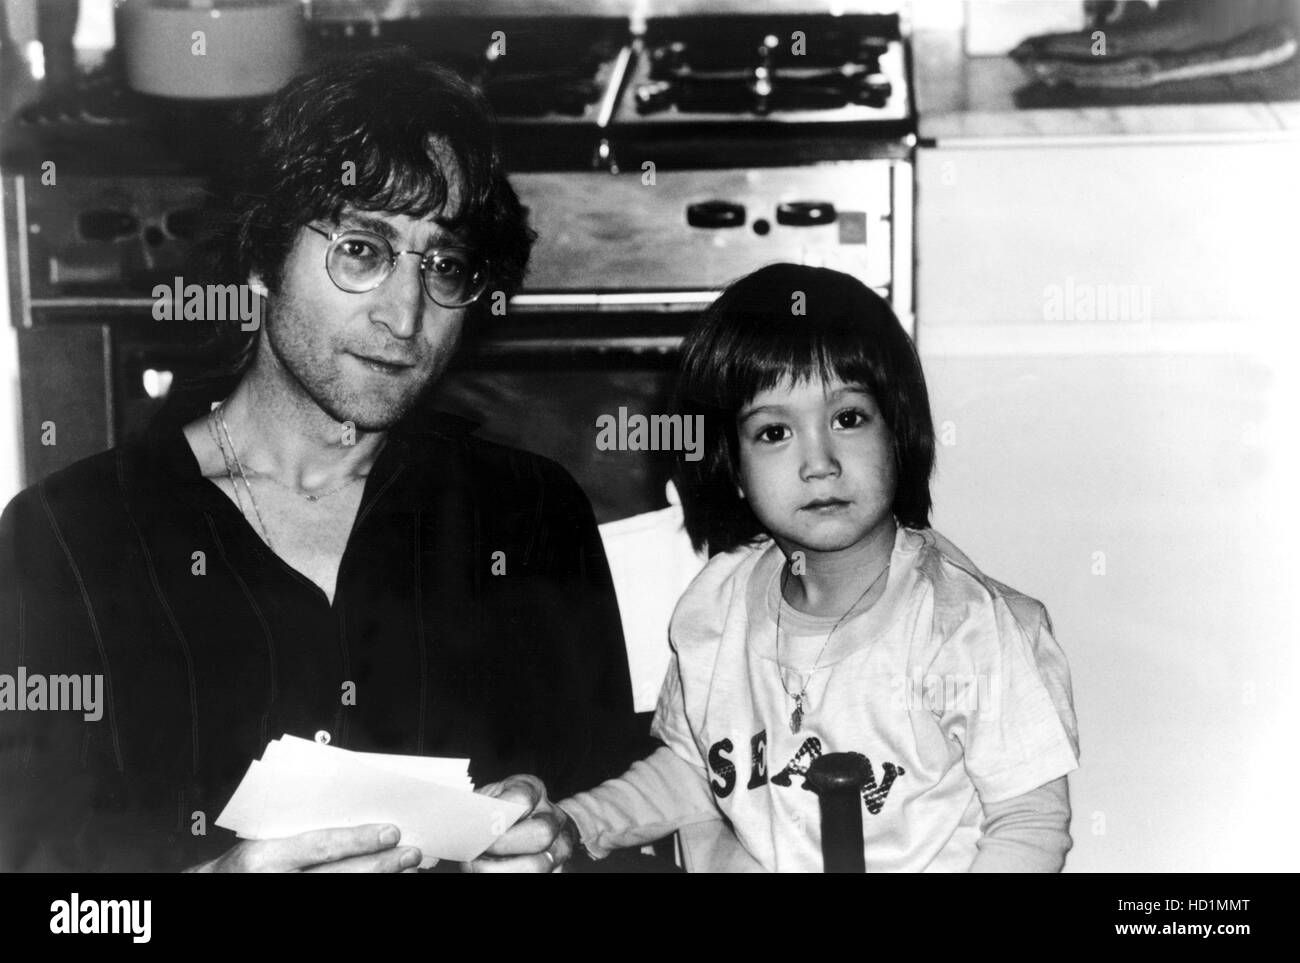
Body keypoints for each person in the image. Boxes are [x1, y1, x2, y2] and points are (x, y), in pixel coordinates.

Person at [0, 50, 648, 873]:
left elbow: (619, 827)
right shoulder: (69, 541)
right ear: (261, 257)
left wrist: (563, 842)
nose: (406, 314)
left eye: (445, 264)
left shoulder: (528, 517)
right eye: (362, 249)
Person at [558, 264, 1081, 872]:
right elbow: (696, 769)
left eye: (848, 418)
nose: (819, 462)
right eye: (774, 431)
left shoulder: (968, 628)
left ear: (898, 429)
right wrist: (574, 824)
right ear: (731, 463)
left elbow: (1028, 822)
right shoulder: (715, 608)